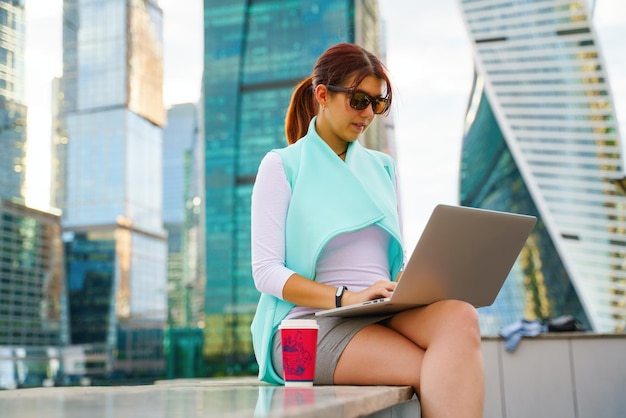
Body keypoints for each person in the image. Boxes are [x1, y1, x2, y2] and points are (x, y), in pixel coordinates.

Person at [250, 42, 484, 417]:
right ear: (323, 95)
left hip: (379, 310)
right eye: (359, 100)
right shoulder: (282, 166)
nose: (368, 113)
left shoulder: (382, 168)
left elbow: (389, 264)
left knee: (460, 314)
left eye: (378, 102)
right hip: (307, 327)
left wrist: (413, 283)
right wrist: (348, 297)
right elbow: (265, 272)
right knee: (435, 368)